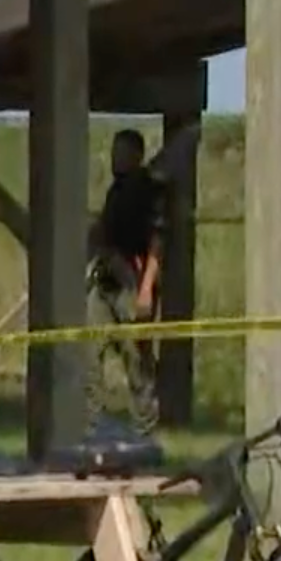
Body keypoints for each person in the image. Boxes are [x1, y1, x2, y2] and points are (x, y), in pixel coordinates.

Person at [89, 127, 167, 432]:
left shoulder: (148, 191)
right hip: (106, 282)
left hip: (133, 284)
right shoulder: (115, 191)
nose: (114, 158)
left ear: (136, 156)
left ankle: (144, 429)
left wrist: (146, 290)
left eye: (120, 153)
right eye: (112, 152)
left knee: (137, 362)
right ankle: (91, 428)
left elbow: (157, 243)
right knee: (88, 353)